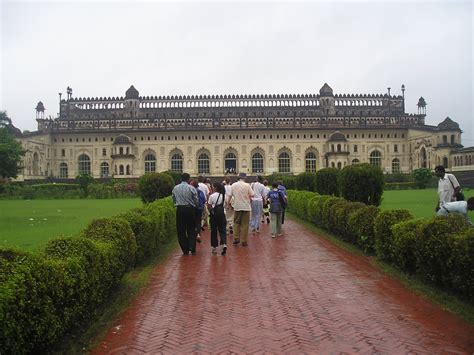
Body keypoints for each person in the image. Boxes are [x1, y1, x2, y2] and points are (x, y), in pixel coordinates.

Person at [172, 173, 199, 255]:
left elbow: (173, 198)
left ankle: (185, 249)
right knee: (191, 228)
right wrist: (195, 207)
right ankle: (192, 246)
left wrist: (177, 204)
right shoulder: (191, 188)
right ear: (188, 179)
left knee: (181, 230)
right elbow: (196, 200)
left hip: (180, 209)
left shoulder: (175, 188)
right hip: (189, 209)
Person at [229, 172, 254, 246]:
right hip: (246, 207)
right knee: (245, 224)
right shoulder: (247, 185)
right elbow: (252, 194)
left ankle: (236, 237)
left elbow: (230, 196)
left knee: (236, 223)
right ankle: (244, 240)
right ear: (244, 178)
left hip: (237, 206)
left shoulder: (233, 185)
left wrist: (227, 204)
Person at [208, 182, 228, 255]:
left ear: (215, 187)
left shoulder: (212, 196)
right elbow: (225, 205)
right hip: (222, 214)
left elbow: (209, 205)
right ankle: (224, 244)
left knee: (214, 231)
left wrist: (211, 210)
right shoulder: (223, 196)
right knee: (222, 230)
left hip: (214, 215)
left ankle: (214, 247)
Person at [190, 179, 206, 243]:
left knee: (192, 222)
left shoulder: (191, 191)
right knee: (198, 222)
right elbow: (204, 200)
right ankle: (198, 234)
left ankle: (193, 235)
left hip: (193, 208)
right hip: (199, 208)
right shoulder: (200, 191)